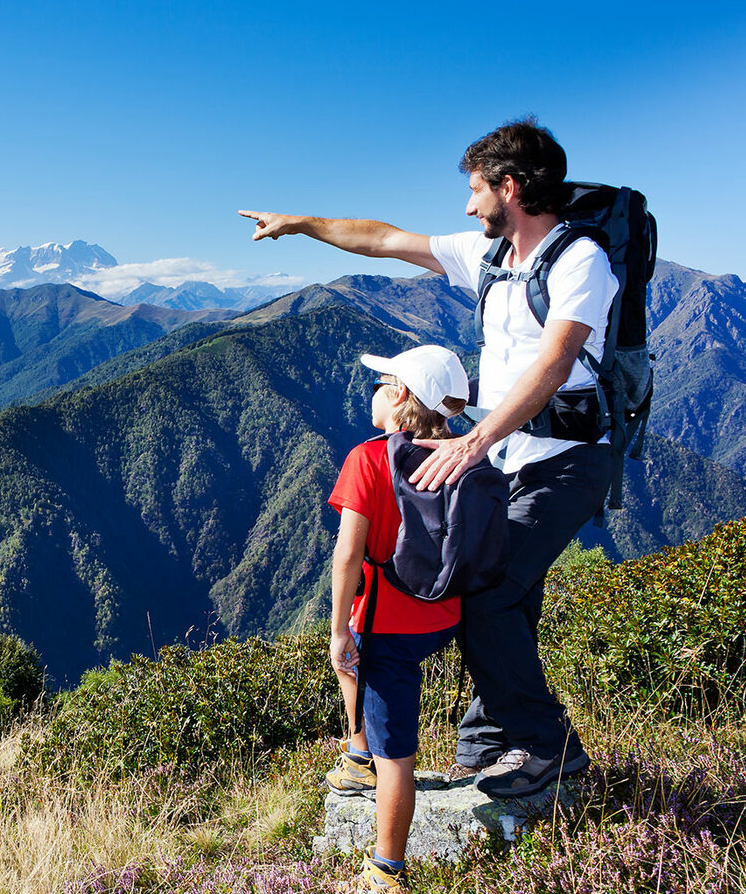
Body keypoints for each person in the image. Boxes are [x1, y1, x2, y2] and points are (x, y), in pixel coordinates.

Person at [241, 116, 612, 799]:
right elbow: (382, 238)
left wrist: (475, 438)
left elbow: (557, 360)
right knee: (498, 589)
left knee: (490, 591)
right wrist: (300, 224)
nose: (469, 206)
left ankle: (550, 750)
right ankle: (488, 737)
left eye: (476, 190)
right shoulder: (490, 256)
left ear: (510, 185)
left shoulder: (580, 260)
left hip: (566, 460)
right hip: (505, 461)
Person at [325, 344, 469, 891]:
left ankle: (386, 868)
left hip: (388, 623)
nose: (375, 391)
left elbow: (347, 555)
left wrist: (339, 630)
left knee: (398, 757)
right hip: (447, 611)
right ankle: (358, 751)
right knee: (354, 659)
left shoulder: (367, 458)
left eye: (383, 382)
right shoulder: (459, 450)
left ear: (402, 395)